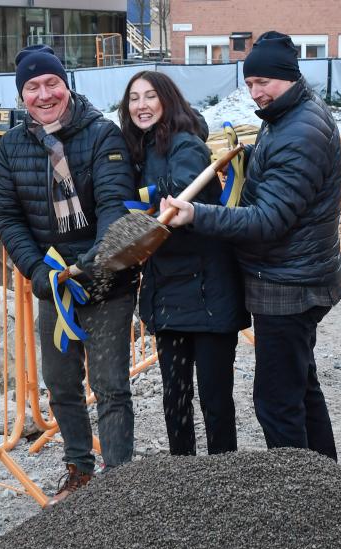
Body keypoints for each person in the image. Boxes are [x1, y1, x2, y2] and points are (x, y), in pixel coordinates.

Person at [162, 31, 341, 461]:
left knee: (277, 404)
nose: (255, 92)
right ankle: (330, 490)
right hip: (298, 275)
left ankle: (301, 505)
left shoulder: (299, 131)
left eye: (264, 82)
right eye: (249, 83)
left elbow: (269, 219)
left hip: (289, 285)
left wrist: (197, 215)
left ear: (289, 77)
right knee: (301, 388)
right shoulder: (290, 118)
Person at [0, 45, 137, 502]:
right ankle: (79, 468)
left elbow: (115, 204)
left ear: (66, 84)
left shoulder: (101, 135)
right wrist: (36, 270)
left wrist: (94, 263)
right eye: (32, 87)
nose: (44, 93)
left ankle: (119, 478)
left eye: (51, 83)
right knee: (61, 385)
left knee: (110, 384)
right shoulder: (13, 145)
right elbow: (7, 215)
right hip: (53, 283)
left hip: (104, 276)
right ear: (22, 96)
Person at [118, 71, 249, 456]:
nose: (142, 105)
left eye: (150, 96)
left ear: (167, 100)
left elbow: (182, 187)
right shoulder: (140, 149)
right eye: (134, 98)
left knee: (214, 398)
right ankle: (182, 482)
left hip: (208, 289)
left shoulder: (185, 144)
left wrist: (142, 198)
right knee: (175, 399)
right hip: (168, 291)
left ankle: (224, 479)